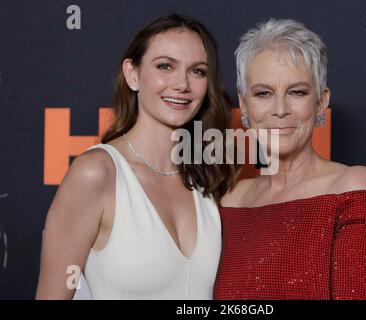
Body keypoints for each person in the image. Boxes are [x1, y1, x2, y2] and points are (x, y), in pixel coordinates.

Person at [36, 14, 235, 299]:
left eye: (198, 71)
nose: (182, 84)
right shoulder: (97, 173)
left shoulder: (210, 178)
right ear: (132, 74)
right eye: (165, 66)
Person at [214, 18, 366, 300]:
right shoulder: (231, 200)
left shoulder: (353, 187)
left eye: (296, 92)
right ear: (245, 103)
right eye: (264, 93)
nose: (280, 109)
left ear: (321, 101)